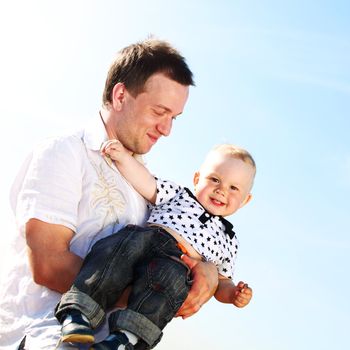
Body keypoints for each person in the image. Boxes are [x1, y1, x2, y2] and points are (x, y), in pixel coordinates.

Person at [0, 38, 219, 350]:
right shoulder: (64, 152)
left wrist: (208, 274)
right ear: (120, 96)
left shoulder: (148, 192)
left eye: (174, 117)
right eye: (160, 111)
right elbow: (48, 265)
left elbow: (182, 242)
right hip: (44, 336)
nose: (167, 129)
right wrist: (158, 294)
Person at [55, 142, 255, 349]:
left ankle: (126, 338)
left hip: (176, 264)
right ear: (197, 179)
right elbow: (147, 182)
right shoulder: (180, 195)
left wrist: (232, 295)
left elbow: (221, 282)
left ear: (245, 200)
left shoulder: (229, 240)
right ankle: (79, 312)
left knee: (164, 291)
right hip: (145, 239)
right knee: (114, 253)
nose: (221, 191)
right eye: (214, 179)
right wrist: (123, 158)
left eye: (233, 188)